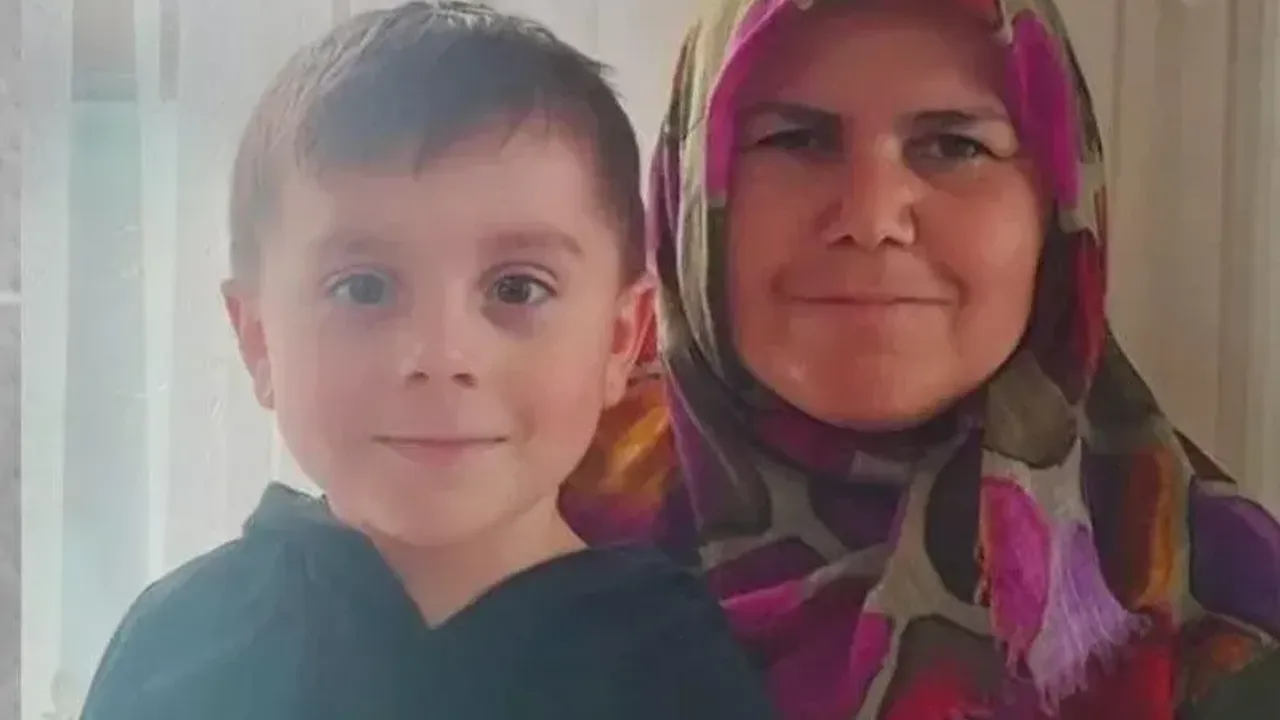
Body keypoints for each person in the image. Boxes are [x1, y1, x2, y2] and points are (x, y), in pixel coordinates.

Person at [561, 0, 1280, 717]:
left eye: (955, 145)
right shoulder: (535, 509)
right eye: (796, 139)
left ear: (1058, 208)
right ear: (688, 190)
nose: (873, 219)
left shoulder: (1223, 621)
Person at [78, 3, 777, 719]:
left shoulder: (683, 675)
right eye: (363, 288)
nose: (441, 356)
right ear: (258, 340)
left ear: (620, 340)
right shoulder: (177, 643)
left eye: (517, 288)